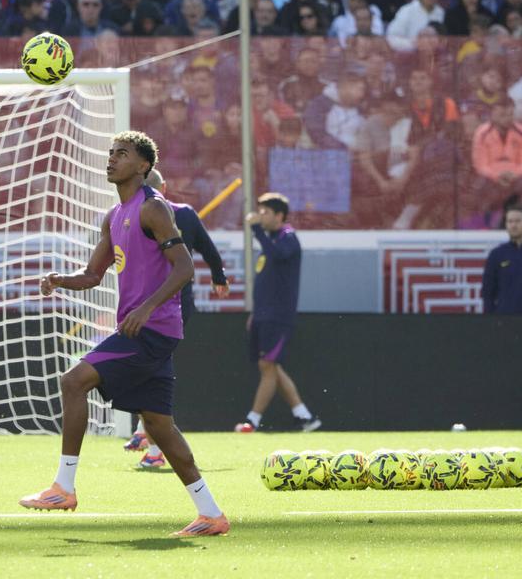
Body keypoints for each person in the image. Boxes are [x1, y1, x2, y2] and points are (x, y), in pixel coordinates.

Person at [20, 131, 230, 538]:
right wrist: (59, 280)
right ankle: (211, 514)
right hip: (146, 328)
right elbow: (93, 275)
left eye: (123, 154)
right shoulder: (114, 216)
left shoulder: (153, 209)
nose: (112, 159)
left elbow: (185, 267)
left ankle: (63, 487)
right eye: (111, 152)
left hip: (152, 329)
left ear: (143, 166)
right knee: (160, 427)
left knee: (73, 380)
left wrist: (147, 307)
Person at [124, 168, 229, 470]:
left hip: (167, 308)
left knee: (151, 370)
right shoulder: (142, 217)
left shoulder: (172, 216)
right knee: (145, 368)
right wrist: (219, 277)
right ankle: (146, 432)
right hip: (152, 306)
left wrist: (218, 276)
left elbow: (207, 251)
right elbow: (210, 251)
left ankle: (154, 445)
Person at [235, 193, 322, 434]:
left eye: (265, 212)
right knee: (271, 367)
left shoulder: (288, 238)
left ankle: (252, 420)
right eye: (259, 211)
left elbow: (277, 255)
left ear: (279, 216)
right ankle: (304, 416)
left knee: (268, 364)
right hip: (263, 315)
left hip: (278, 316)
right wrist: (255, 312)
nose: (260, 216)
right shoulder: (270, 241)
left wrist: (256, 231)